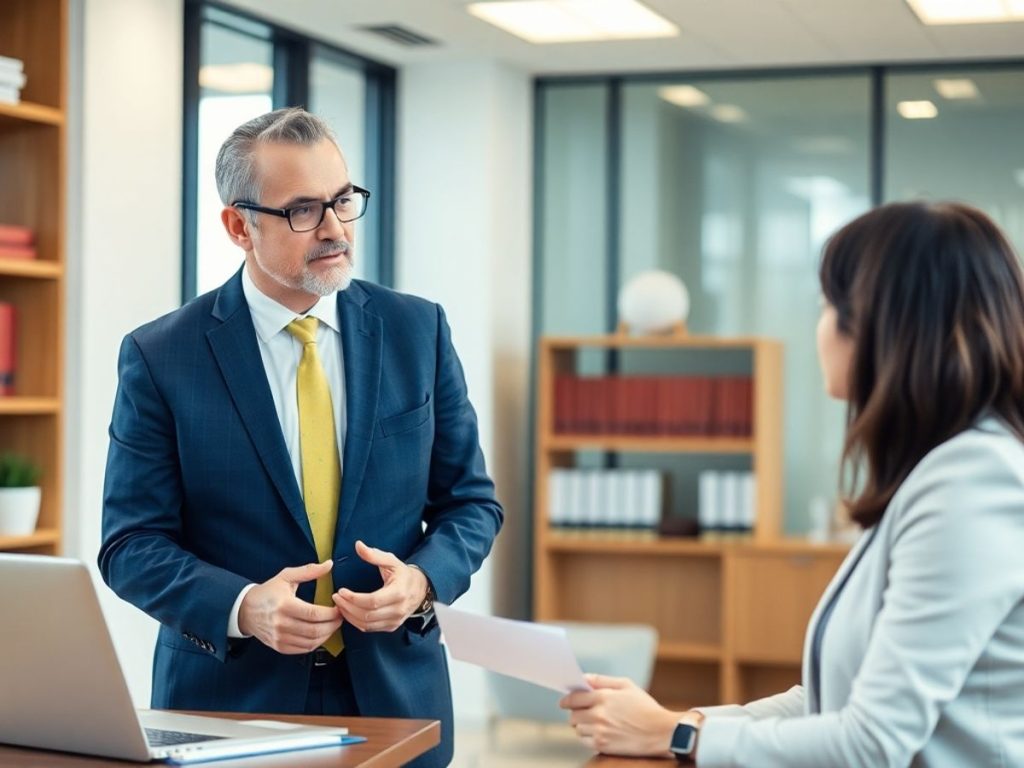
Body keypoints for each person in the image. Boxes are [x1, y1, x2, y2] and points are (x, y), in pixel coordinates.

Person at [99, 107, 503, 768]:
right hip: (228, 703)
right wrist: (243, 607)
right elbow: (130, 544)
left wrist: (422, 583)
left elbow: (471, 503)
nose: (336, 229)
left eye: (344, 201)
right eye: (304, 210)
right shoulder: (161, 354)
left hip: (398, 699)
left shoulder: (417, 331)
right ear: (239, 225)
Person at [561, 201, 1024, 766]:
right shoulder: (934, 472)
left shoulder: (972, 484)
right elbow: (827, 702)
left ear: (886, 325)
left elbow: (870, 742)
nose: (820, 327)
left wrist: (676, 738)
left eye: (829, 305)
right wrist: (675, 723)